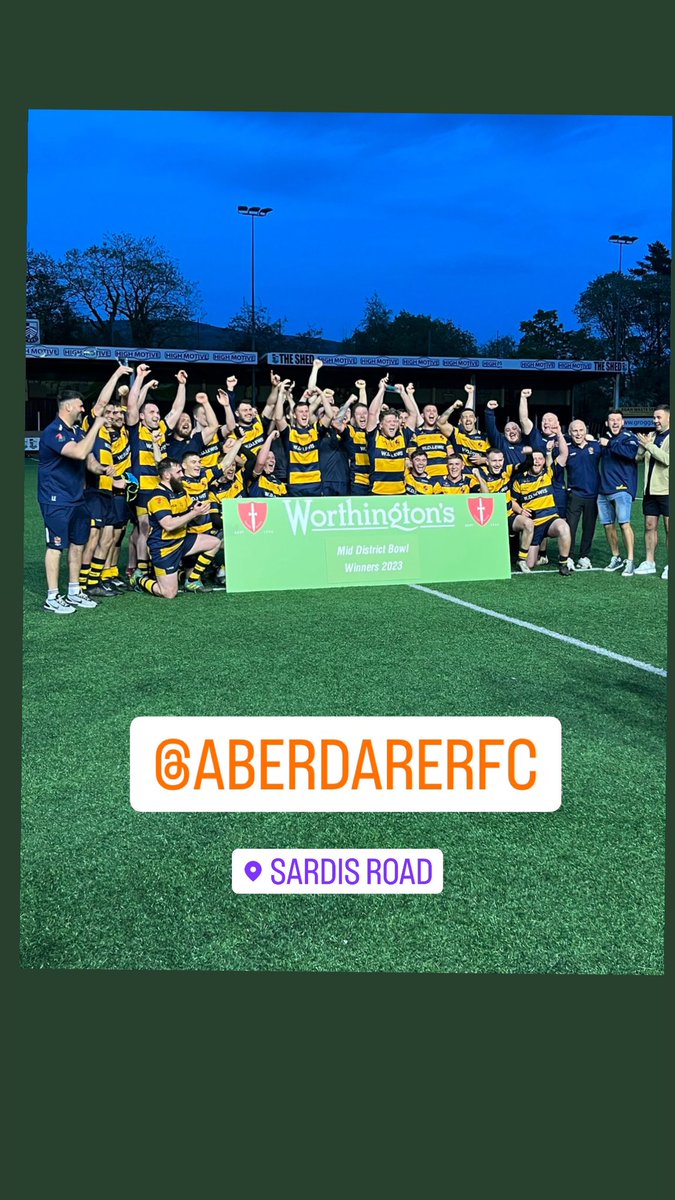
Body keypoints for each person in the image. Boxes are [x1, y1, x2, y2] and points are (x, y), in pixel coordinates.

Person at [37, 382, 125, 613]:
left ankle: (74, 591)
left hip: (78, 498)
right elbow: (78, 452)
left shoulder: (77, 431)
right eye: (80, 405)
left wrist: (102, 469)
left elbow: (89, 460)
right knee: (56, 547)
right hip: (55, 499)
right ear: (67, 408)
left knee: (77, 545)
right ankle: (52, 597)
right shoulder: (52, 432)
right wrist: (97, 424)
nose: (83, 409)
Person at [126, 365, 188, 584]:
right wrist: (140, 377)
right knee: (144, 527)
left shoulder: (161, 429)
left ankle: (142, 566)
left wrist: (181, 384)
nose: (156, 415)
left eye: (157, 412)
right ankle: (141, 571)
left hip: (160, 489)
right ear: (142, 417)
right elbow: (132, 403)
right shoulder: (135, 428)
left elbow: (177, 408)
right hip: (142, 489)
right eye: (151, 412)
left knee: (148, 529)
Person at [137, 458, 221, 598]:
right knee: (169, 593)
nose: (182, 474)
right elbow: (168, 525)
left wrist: (200, 511)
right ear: (167, 475)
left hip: (181, 541)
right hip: (164, 548)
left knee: (214, 542)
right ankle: (139, 579)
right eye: (178, 472)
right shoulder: (158, 497)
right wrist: (194, 513)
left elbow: (192, 511)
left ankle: (192, 580)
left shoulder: (180, 491)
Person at [511, 435, 575, 575]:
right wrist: (520, 510)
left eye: (540, 459)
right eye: (534, 459)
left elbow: (564, 454)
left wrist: (558, 433)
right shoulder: (520, 480)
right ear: (530, 461)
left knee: (563, 527)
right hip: (534, 524)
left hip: (550, 520)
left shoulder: (548, 473)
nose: (537, 462)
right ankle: (536, 552)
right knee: (530, 564)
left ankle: (563, 563)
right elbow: (513, 501)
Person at [474, 448, 534, 572]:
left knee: (528, 523)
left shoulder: (507, 470)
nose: (497, 464)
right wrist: (479, 478)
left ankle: (521, 560)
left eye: (500, 460)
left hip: (507, 516)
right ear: (487, 462)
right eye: (494, 461)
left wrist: (529, 455)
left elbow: (526, 465)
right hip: (490, 520)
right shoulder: (480, 474)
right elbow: (486, 497)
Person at [596, 410, 639, 576]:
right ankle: (616, 557)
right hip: (603, 489)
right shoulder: (606, 438)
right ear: (607, 423)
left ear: (623, 422)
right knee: (607, 525)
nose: (614, 422)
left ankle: (630, 560)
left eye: (617, 420)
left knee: (624, 523)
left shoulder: (629, 437)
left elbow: (631, 454)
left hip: (622, 489)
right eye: (611, 420)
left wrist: (609, 444)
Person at [366, 378, 419, 495]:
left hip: (399, 494)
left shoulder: (403, 436)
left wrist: (403, 393)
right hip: (377, 494)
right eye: (389, 421)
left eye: (395, 421)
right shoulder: (374, 437)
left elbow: (413, 414)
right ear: (380, 425)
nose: (393, 424)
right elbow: (372, 413)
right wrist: (381, 390)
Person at [635, 404, 670, 578]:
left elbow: (667, 460)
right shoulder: (652, 436)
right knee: (650, 526)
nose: (655, 420)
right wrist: (643, 445)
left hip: (667, 490)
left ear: (669, 418)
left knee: (669, 528)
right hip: (650, 490)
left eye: (659, 417)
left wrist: (650, 446)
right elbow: (638, 458)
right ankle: (650, 562)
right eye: (654, 417)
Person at [565, 420, 601, 569]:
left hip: (592, 495)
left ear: (585, 431)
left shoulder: (596, 447)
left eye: (581, 430)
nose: (578, 434)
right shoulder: (565, 449)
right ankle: (568, 556)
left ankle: (584, 556)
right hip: (574, 494)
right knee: (570, 527)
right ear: (569, 433)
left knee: (589, 528)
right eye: (575, 431)